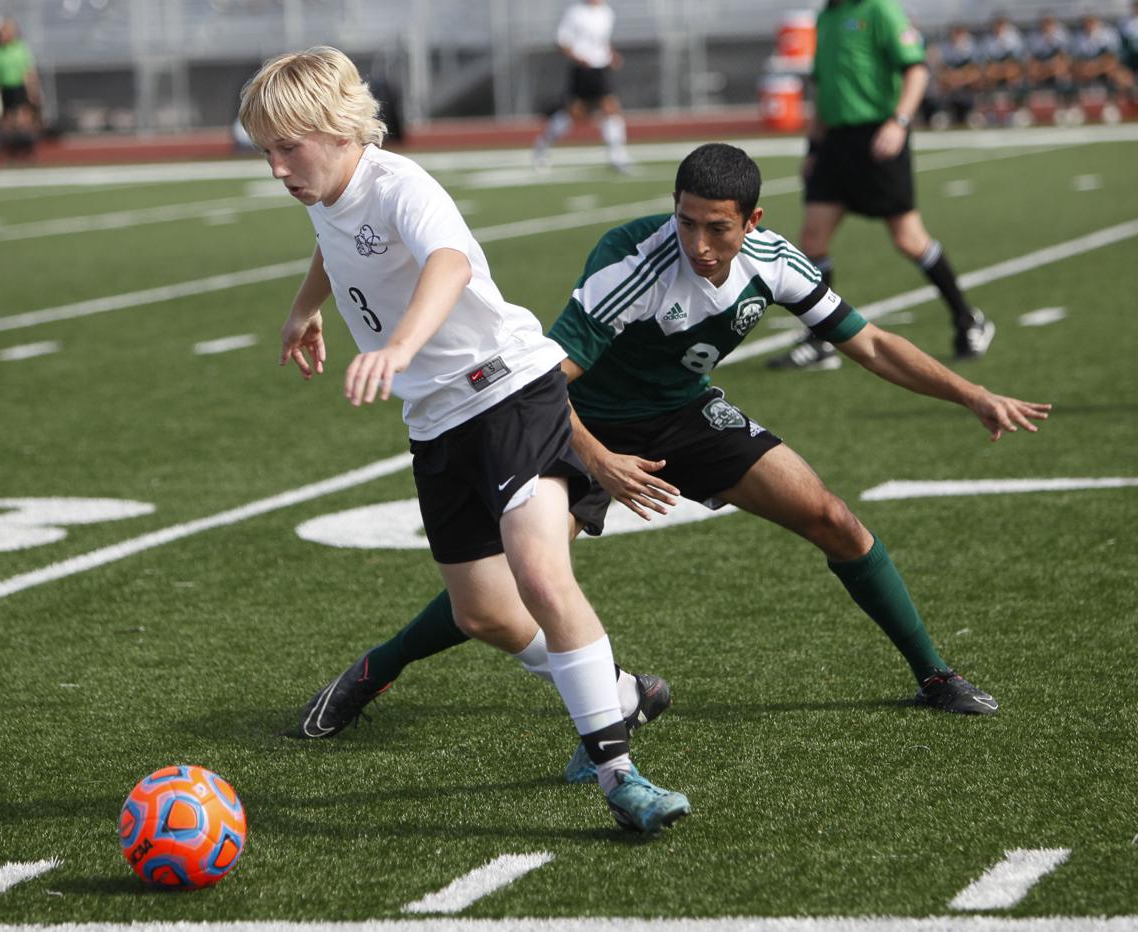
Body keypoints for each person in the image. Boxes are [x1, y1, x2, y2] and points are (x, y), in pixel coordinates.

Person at [303, 143, 1052, 787]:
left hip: (685, 417)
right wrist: (601, 462)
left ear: (751, 222)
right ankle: (377, 669)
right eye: (686, 220)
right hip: (578, 423)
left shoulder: (774, 262)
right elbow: (540, 379)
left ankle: (933, 674)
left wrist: (973, 394)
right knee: (511, 588)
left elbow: (875, 344)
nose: (697, 241)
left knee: (831, 517)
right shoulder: (633, 262)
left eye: (716, 227)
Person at [238, 46, 688, 836]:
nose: (276, 168)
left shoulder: (400, 183)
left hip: (510, 390)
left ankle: (619, 774)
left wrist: (400, 347)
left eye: (286, 147)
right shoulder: (324, 187)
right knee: (484, 613)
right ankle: (618, 694)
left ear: (340, 130)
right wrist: (305, 310)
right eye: (266, 150)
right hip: (437, 421)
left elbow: (447, 262)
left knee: (541, 575)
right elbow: (333, 245)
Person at [767, 0, 994, 372]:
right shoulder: (825, 17)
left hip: (879, 137)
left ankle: (968, 320)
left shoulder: (880, 10)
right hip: (836, 145)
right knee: (812, 241)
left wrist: (899, 122)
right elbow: (824, 91)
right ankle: (820, 341)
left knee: (909, 239)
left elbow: (916, 71)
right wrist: (813, 147)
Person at [532, 0, 631, 172]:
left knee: (610, 108)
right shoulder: (575, 12)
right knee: (575, 114)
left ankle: (617, 156)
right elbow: (562, 41)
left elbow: (602, 42)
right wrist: (579, 57)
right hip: (582, 70)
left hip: (600, 68)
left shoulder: (607, 12)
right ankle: (542, 145)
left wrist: (611, 55)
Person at [0, 17, 41, 159]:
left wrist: (33, 91)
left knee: (23, 120)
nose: (1, 35)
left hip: (19, 87)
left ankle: (27, 148)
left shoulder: (20, 48)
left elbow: (28, 71)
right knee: (8, 121)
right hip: (5, 89)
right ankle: (12, 149)